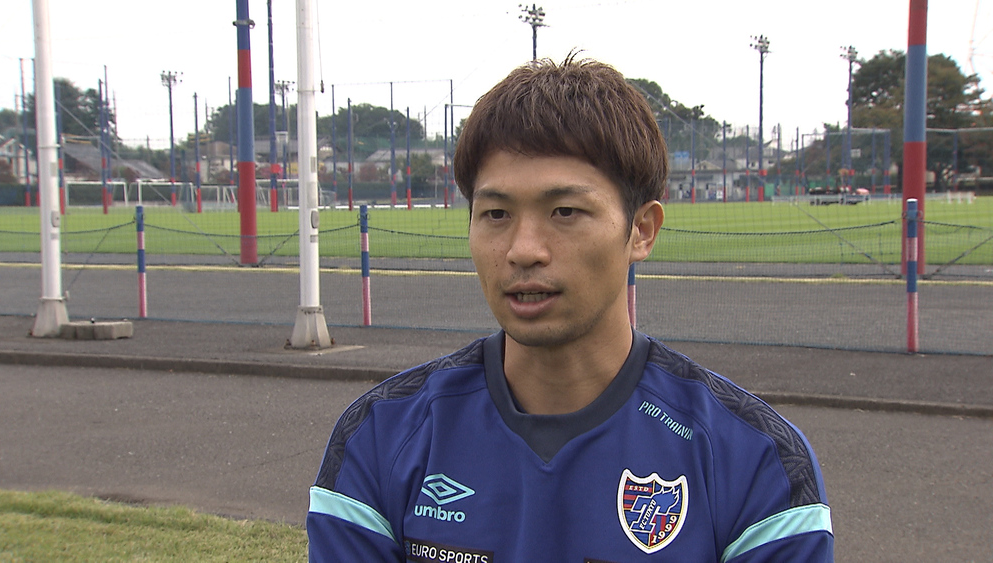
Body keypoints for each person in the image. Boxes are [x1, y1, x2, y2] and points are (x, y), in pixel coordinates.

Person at [307, 55, 834, 562]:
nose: (523, 250)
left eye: (564, 211)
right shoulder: (379, 437)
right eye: (495, 214)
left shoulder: (756, 460)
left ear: (642, 230)